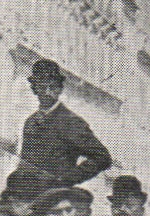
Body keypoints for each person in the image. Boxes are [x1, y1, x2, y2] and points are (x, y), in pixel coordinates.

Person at [14, 59, 112, 197]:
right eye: (42, 87)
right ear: (35, 89)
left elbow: (103, 157)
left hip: (57, 200)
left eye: (52, 87)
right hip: (29, 197)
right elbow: (25, 162)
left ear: (60, 89)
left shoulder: (71, 122)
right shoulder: (30, 122)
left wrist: (67, 179)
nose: (48, 92)